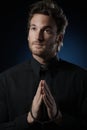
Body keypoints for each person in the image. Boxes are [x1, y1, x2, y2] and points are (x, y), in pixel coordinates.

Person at [0, 0, 87, 129]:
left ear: (59, 38)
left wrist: (59, 117)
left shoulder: (82, 79)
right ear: (28, 34)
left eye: (46, 30)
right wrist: (29, 118)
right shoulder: (5, 80)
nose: (38, 37)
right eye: (34, 28)